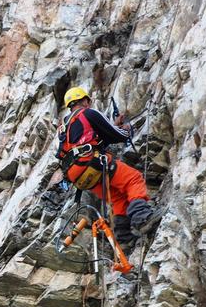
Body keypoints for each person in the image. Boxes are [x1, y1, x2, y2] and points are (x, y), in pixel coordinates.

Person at [56, 86, 159, 247]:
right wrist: (126, 130)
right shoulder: (88, 113)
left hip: (77, 174)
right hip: (92, 162)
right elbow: (116, 135)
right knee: (133, 179)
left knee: (117, 196)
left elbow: (90, 141)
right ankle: (142, 218)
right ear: (85, 100)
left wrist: (113, 127)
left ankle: (124, 237)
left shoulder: (64, 127)